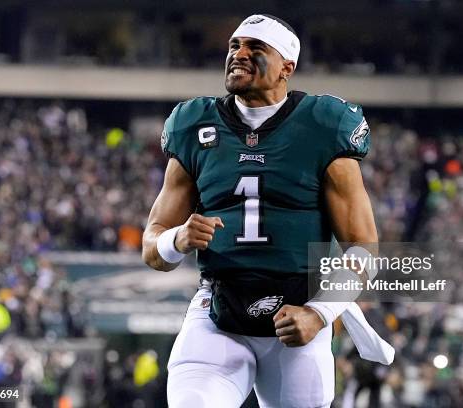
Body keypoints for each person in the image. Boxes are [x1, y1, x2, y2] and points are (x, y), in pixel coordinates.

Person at [143, 14, 378, 407]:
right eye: (235, 45)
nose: (240, 54)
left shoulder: (323, 125)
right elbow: (152, 247)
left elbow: (363, 249)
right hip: (219, 313)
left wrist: (319, 314)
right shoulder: (194, 123)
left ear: (287, 66)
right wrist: (176, 239)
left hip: (297, 314)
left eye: (256, 48)